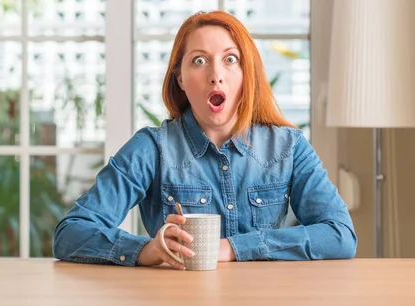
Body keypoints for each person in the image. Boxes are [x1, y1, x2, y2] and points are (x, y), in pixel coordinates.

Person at [52, 10, 357, 270]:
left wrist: (235, 248)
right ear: (180, 79)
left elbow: (340, 234)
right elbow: (70, 233)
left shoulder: (289, 147)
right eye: (199, 61)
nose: (216, 75)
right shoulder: (151, 148)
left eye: (230, 59)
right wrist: (148, 251)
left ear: (246, 73)